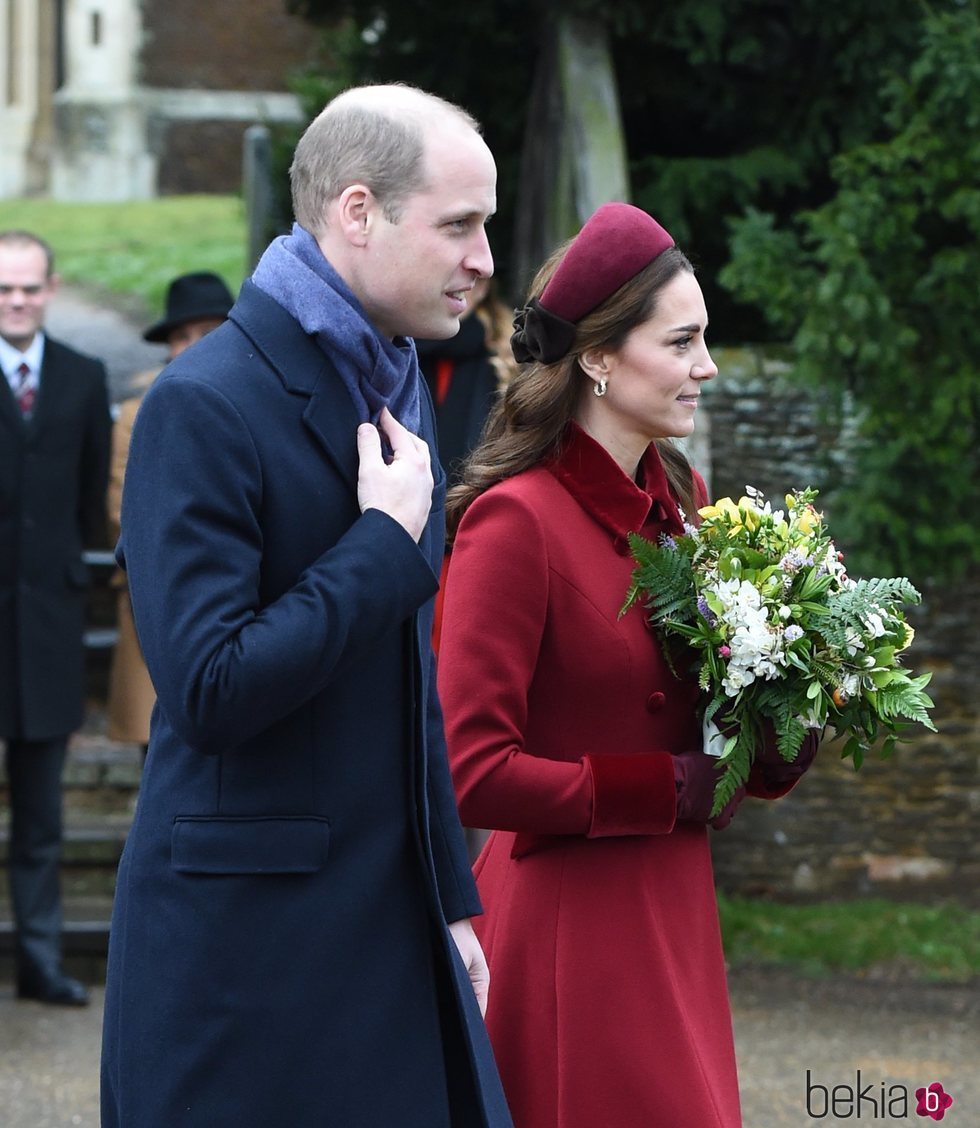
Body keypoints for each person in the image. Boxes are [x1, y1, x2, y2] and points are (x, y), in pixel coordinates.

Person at [100, 84, 512, 1128]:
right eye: (459, 226)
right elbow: (206, 688)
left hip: (390, 922)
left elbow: (408, 673)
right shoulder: (203, 402)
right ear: (358, 212)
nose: (484, 260)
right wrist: (379, 545)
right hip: (247, 955)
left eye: (486, 227)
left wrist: (455, 902)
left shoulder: (395, 384)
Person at [437, 202, 819, 1128]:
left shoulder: (685, 505)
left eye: (705, 339)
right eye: (682, 341)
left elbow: (706, 733)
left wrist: (788, 713)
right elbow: (471, 770)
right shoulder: (514, 521)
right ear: (600, 359)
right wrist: (666, 790)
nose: (706, 366)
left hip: (670, 908)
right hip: (571, 926)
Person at [0, 229, 112, 1007]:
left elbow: (86, 507)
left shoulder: (81, 378)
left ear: (52, 287)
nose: (16, 301)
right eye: (3, 289)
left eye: (29, 288)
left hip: (45, 630)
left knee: (42, 815)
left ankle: (40, 962)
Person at [106, 271, 234, 753]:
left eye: (207, 332)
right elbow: (121, 508)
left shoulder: (262, 403)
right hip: (154, 599)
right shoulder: (138, 413)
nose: (192, 345)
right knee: (159, 747)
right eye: (181, 336)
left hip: (237, 607)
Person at [416, 276, 517, 652]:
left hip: (477, 537)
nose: (467, 286)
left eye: (479, 281)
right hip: (412, 535)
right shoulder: (401, 349)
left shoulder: (508, 354)